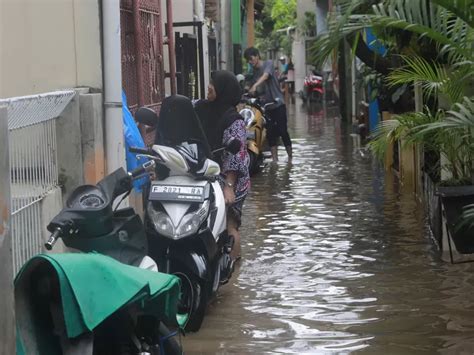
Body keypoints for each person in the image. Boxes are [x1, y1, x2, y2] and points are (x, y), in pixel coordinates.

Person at [194, 70, 250, 262]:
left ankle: (234, 271)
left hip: (229, 178)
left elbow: (236, 157)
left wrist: (228, 186)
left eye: (213, 83)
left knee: (229, 225)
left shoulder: (234, 120)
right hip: (203, 173)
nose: (209, 86)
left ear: (223, 89)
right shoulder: (200, 107)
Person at [244, 47, 293, 162]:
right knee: (270, 134)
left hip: (278, 103)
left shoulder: (268, 64)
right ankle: (275, 161)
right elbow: (253, 89)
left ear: (257, 56)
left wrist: (255, 85)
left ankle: (290, 158)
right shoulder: (253, 73)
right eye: (248, 61)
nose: (250, 62)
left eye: (251, 59)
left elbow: (266, 76)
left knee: (282, 130)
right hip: (266, 107)